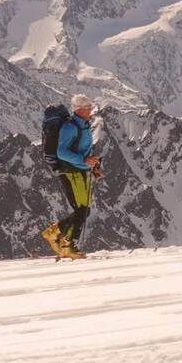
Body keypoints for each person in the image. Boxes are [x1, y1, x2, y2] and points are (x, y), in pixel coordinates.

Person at [41, 94, 101, 260]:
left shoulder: (83, 126)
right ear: (78, 109)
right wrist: (84, 160)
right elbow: (61, 152)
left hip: (80, 170)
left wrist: (94, 166)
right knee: (83, 210)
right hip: (71, 172)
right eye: (87, 107)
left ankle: (59, 236)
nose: (90, 110)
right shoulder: (70, 127)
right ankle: (65, 242)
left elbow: (84, 150)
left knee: (83, 210)